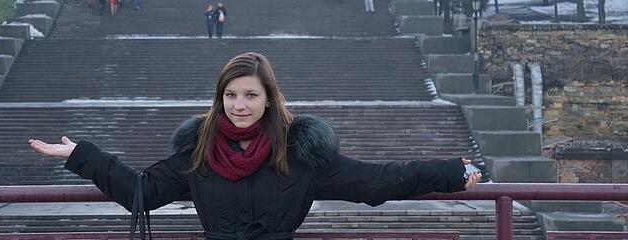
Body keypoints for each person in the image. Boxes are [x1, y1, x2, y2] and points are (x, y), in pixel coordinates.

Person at [29, 53, 480, 238]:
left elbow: (377, 182)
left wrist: (450, 172)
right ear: (219, 98)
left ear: (268, 99)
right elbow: (140, 192)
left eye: (250, 95)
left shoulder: (301, 153)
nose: (239, 105)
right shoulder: (198, 153)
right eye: (231, 95)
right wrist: (80, 156)